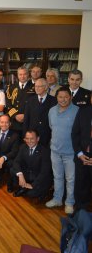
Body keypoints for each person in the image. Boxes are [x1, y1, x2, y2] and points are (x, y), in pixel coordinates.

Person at [46, 86, 79, 214]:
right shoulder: (51, 111)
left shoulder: (77, 111)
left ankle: (69, 203)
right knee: (57, 177)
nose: (63, 99)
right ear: (57, 98)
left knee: (70, 179)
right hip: (54, 151)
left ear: (70, 97)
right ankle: (57, 199)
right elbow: (51, 127)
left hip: (70, 152)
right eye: (60, 97)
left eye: (66, 97)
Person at [11, 130, 52, 199]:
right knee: (13, 170)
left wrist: (33, 185)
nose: (29, 141)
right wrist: (20, 175)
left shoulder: (45, 151)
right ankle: (23, 187)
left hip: (39, 178)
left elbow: (44, 172)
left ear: (37, 139)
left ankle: (42, 191)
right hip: (28, 174)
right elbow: (16, 162)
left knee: (31, 195)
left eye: (32, 138)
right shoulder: (23, 147)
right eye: (27, 138)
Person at [72, 94, 92, 210]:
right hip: (83, 155)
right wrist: (79, 153)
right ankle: (81, 213)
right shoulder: (83, 111)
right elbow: (75, 134)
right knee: (81, 186)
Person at [23, 78, 57, 146]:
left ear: (46, 87)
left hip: (47, 136)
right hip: (32, 136)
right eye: (36, 86)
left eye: (39, 86)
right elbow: (26, 119)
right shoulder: (30, 100)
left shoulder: (54, 101)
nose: (37, 88)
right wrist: (25, 135)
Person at [5, 65, 34, 137]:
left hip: (29, 120)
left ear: (28, 75)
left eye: (24, 74)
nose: (22, 76)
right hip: (14, 121)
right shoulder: (11, 87)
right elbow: (8, 104)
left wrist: (26, 115)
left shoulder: (34, 87)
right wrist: (15, 116)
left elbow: (35, 104)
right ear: (17, 76)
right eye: (20, 74)